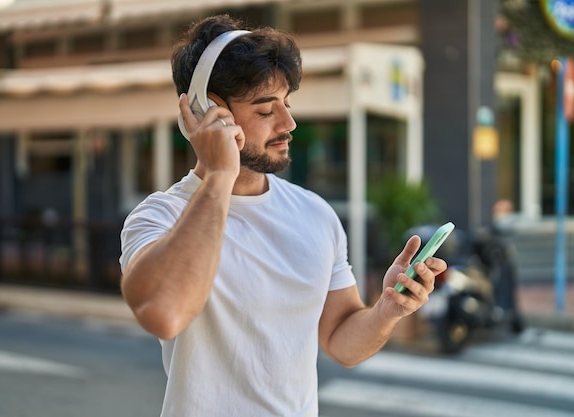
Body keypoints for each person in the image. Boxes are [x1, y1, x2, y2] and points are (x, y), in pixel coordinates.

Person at [119, 14, 446, 417]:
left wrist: (387, 311)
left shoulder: (316, 215)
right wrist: (221, 173)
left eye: (286, 103)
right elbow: (163, 315)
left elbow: (341, 343)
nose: (288, 123)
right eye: (264, 110)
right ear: (207, 112)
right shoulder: (159, 216)